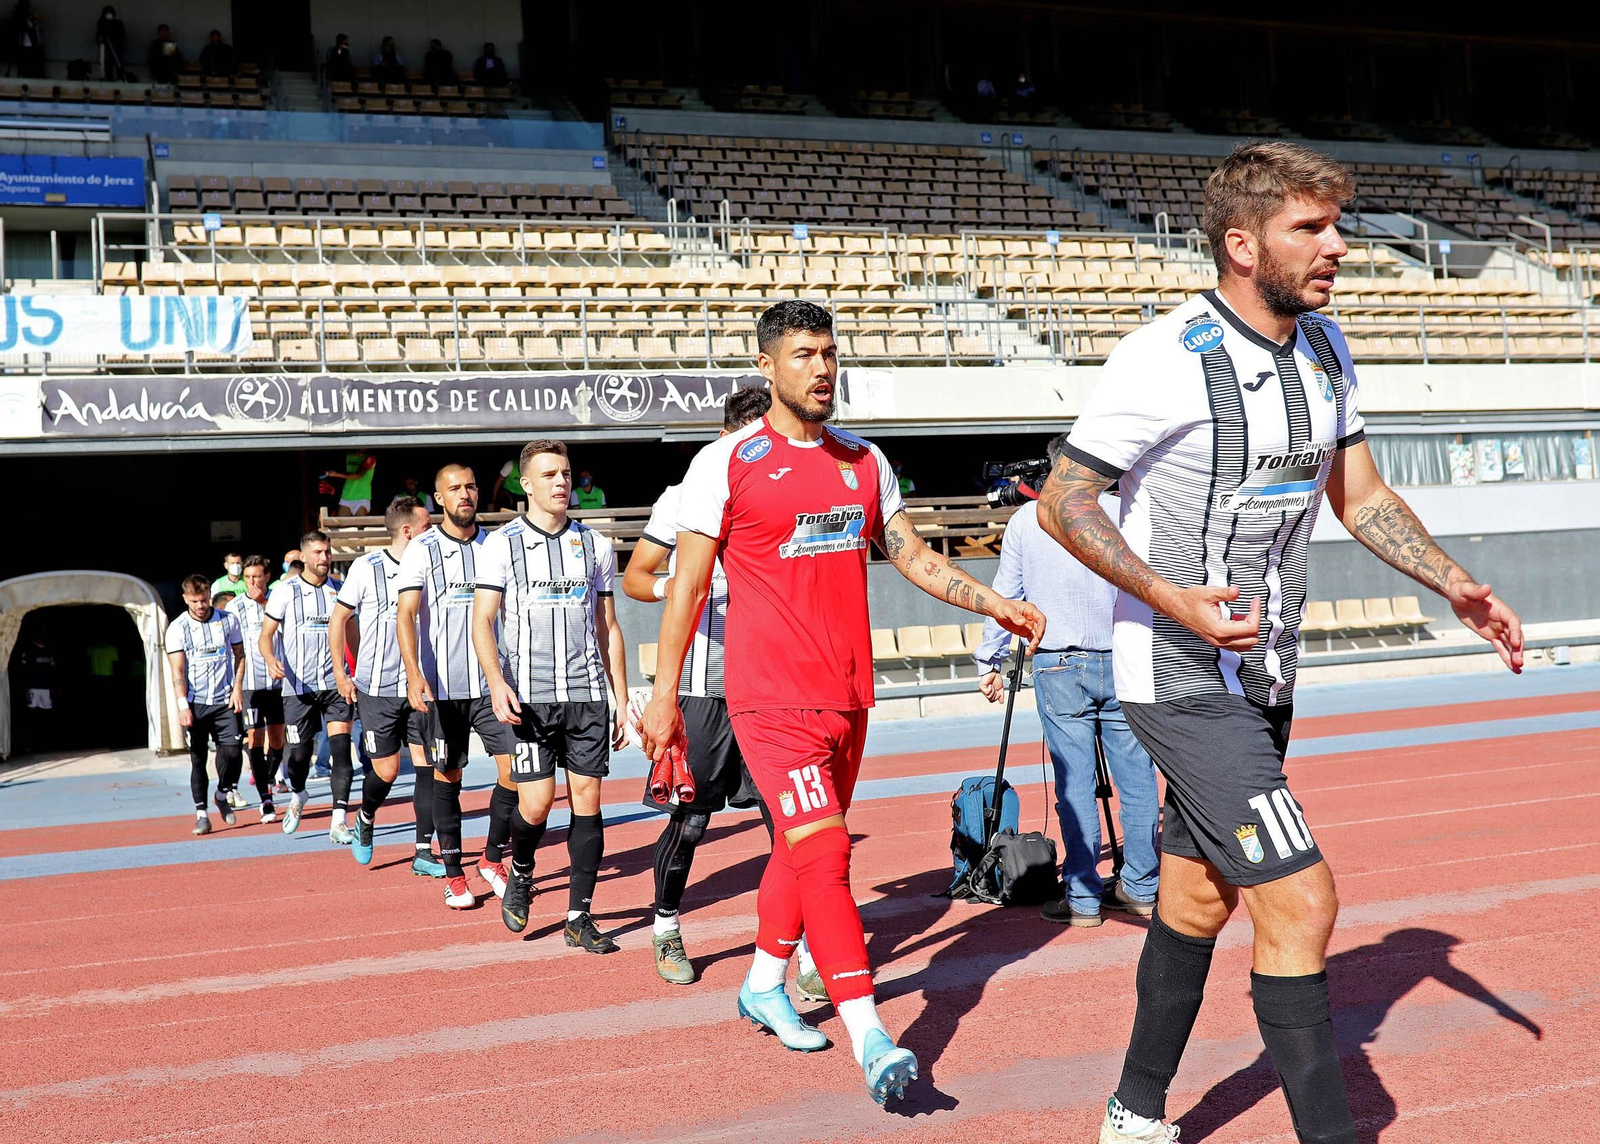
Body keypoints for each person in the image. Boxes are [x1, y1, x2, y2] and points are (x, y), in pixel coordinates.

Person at [1037, 141, 1525, 1144]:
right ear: (1240, 242)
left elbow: (1361, 495)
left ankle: (1132, 1111)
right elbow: (1064, 501)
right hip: (1175, 675)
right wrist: (1170, 596)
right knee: (1301, 900)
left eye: (1335, 225)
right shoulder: (1161, 356)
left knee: (1196, 895)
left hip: (1266, 673)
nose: (1336, 247)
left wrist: (1453, 584)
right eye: (1310, 228)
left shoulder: (1326, 349)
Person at [640, 300, 1046, 1107]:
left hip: (849, 696)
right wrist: (662, 697)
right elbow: (683, 587)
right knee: (826, 857)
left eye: (830, 353)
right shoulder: (725, 463)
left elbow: (913, 555)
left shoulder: (865, 462)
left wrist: (991, 602)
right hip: (768, 700)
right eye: (803, 355)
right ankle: (871, 1036)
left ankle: (763, 981)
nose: (823, 369)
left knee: (798, 854)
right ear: (766, 366)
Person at [622, 386, 807, 987]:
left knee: (789, 825)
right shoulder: (683, 495)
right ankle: (667, 926)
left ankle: (801, 946)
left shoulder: (789, 488)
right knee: (692, 820)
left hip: (773, 685)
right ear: (731, 438)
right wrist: (674, 588)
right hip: (703, 688)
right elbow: (635, 578)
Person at [974, 437, 1159, 926]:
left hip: (1060, 663)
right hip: (1125, 658)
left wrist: (988, 660)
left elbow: (1005, 597)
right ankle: (1141, 886)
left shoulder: (1025, 521)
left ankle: (1082, 898)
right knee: (1137, 778)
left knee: (1074, 783)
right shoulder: (1126, 512)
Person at [475, 439, 629, 954]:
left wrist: (621, 698)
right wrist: (497, 683)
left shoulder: (595, 544)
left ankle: (579, 916)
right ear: (526, 485)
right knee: (536, 804)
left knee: (587, 800)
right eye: (549, 475)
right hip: (528, 699)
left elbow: (608, 625)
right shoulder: (501, 544)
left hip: (585, 695)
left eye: (565, 472)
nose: (561, 482)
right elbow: (483, 621)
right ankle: (519, 868)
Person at [396, 463, 518, 909]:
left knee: (517, 774)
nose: (464, 494)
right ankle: (454, 873)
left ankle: (490, 858)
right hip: (441, 688)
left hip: (493, 685)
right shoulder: (422, 548)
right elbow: (405, 615)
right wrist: (413, 674)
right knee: (448, 775)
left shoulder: (498, 544)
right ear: (439, 499)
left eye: (470, 486)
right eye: (454, 489)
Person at [331, 497, 442, 874]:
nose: (435, 531)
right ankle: (365, 817)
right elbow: (340, 618)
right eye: (428, 526)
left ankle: (424, 851)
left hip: (420, 684)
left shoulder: (433, 563)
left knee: (428, 766)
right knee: (388, 770)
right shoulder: (367, 566)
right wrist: (343, 672)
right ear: (408, 530)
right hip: (376, 689)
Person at [260, 530, 356, 842]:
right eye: (317, 552)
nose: (324, 558)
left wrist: (355, 671)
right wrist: (271, 657)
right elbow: (266, 635)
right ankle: (299, 795)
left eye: (327, 552)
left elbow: (351, 631)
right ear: (303, 556)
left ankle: (339, 818)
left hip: (335, 683)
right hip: (297, 687)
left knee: (342, 752)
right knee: (298, 758)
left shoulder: (340, 589)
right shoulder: (285, 591)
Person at [167, 574, 245, 837]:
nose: (200, 606)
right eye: (195, 601)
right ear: (185, 599)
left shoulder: (227, 620)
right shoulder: (178, 628)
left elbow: (239, 655)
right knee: (198, 759)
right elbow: (177, 670)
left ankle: (222, 793)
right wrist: (182, 706)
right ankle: (202, 815)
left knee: (234, 753)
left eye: (204, 600)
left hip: (224, 700)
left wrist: (237, 689)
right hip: (196, 703)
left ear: (210, 595)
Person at [228, 556, 284, 823]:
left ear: (267, 576)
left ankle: (269, 776)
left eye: (256, 577)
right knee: (255, 738)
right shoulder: (235, 606)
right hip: (250, 686)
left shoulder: (280, 599)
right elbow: (232, 651)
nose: (252, 582)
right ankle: (266, 798)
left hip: (279, 684)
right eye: (247, 577)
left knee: (278, 741)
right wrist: (235, 687)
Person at [326, 450, 377, 516]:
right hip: (346, 496)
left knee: (359, 525)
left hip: (362, 497)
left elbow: (358, 475)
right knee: (341, 525)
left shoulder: (370, 458)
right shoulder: (348, 455)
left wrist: (336, 474)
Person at [95, 5, 126, 81]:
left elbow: (122, 35)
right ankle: (109, 78)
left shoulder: (118, 23)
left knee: (118, 63)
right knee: (107, 64)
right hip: (106, 48)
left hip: (117, 47)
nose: (109, 14)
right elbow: (99, 35)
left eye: (110, 12)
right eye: (107, 12)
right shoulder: (102, 23)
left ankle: (120, 78)